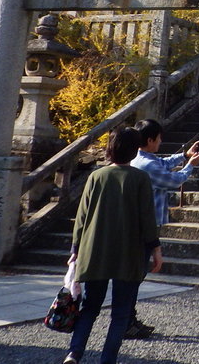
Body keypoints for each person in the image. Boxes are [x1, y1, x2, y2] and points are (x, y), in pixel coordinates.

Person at [63, 127, 161, 364]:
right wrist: (156, 248)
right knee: (120, 312)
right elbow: (147, 218)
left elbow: (82, 217)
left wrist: (75, 250)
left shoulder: (96, 176)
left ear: (110, 148)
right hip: (129, 252)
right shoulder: (139, 178)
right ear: (135, 150)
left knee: (90, 307)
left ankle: (74, 353)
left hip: (95, 249)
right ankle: (107, 359)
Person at [124, 118, 199, 339]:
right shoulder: (147, 165)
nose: (160, 142)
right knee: (136, 274)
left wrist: (184, 156)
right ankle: (126, 321)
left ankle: (129, 319)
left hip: (139, 224)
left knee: (136, 274)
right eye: (158, 139)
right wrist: (191, 166)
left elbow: (164, 164)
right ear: (150, 140)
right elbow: (173, 180)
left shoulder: (141, 159)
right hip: (145, 227)